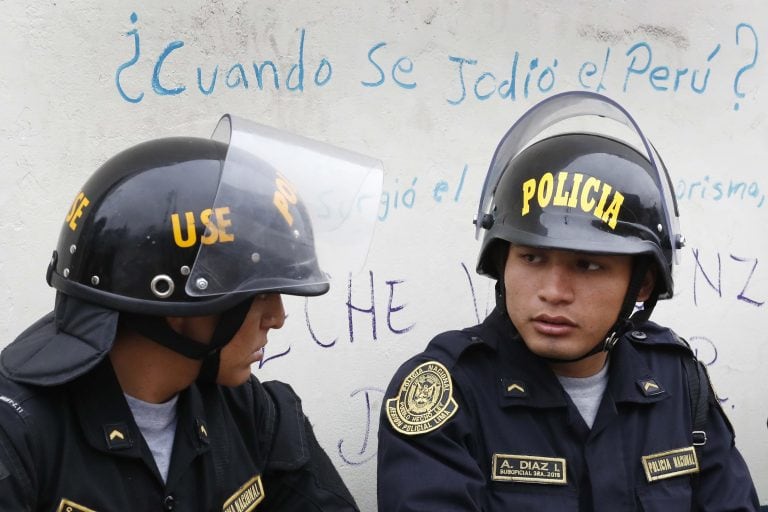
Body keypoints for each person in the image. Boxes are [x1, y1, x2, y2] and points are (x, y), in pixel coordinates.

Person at [377, 91, 759, 510]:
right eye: (532, 257)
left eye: (588, 265)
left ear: (643, 285)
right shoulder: (449, 394)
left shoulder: (679, 386)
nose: (554, 291)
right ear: (501, 262)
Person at [0, 114, 382, 511]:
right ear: (177, 304)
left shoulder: (252, 412)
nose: (278, 317)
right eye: (260, 293)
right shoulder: (18, 435)